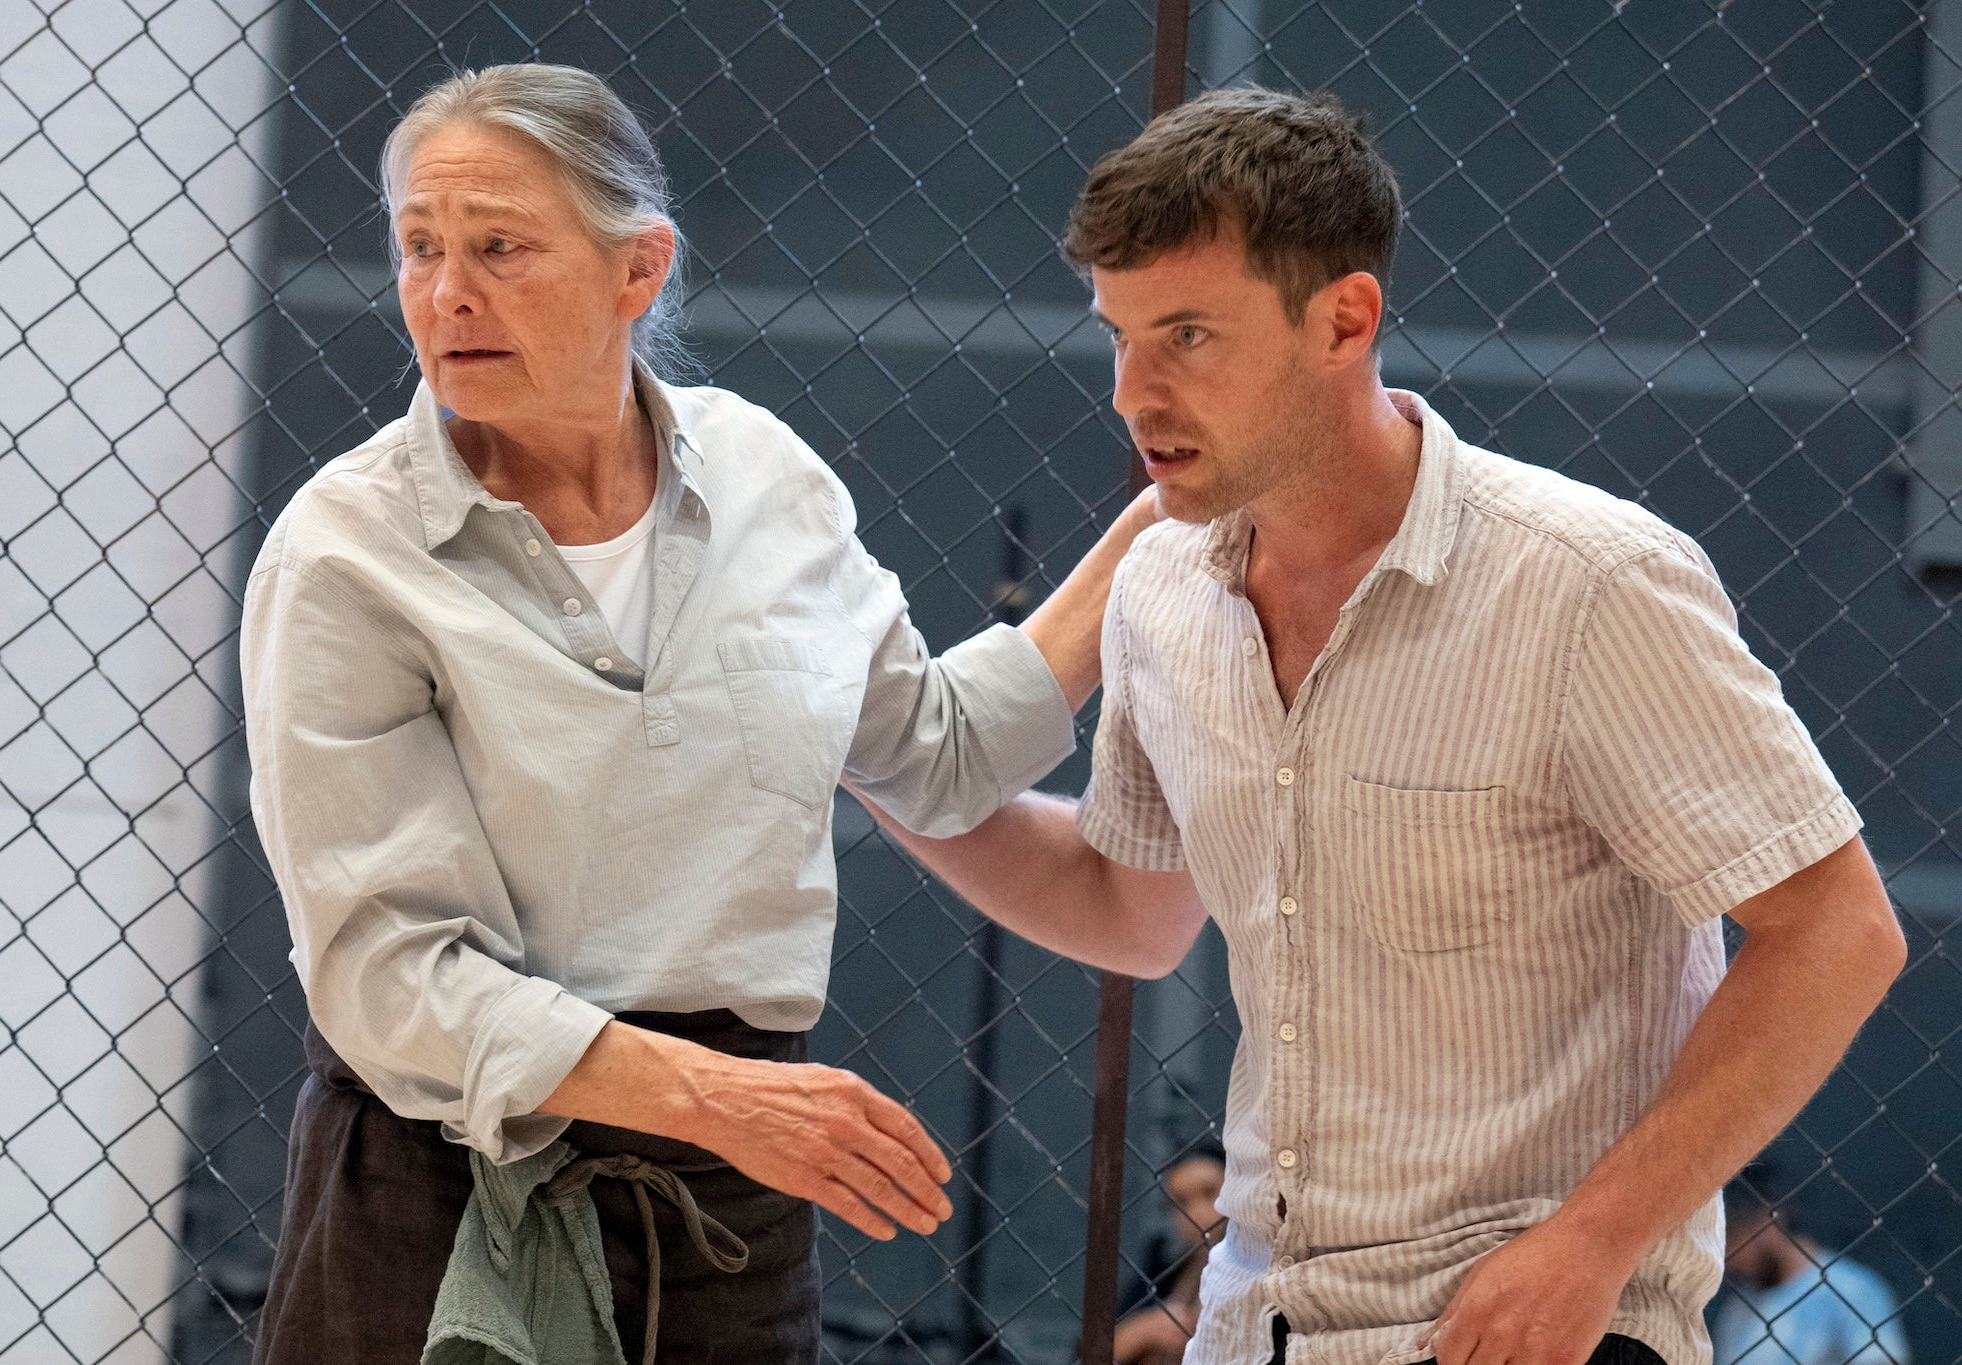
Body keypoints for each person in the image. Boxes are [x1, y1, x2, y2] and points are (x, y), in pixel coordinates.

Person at [859, 86, 1907, 1365]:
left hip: (1535, 1330)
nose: (1134, 392)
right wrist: (869, 763)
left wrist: (1591, 1243)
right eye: (1119, 336)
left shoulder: (1584, 579)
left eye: (1187, 335)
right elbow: (1127, 908)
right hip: (1253, 1326)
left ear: (1341, 319)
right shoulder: (1159, 591)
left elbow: (1837, 932)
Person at [240, 63, 1158, 1365]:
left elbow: (937, 756)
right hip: (447, 1194)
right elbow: (392, 973)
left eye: (499, 247)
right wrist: (721, 1098)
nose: (448, 294)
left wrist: (1160, 529)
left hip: (727, 1212)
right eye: (419, 247)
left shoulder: (770, 477)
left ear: (639, 269)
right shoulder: (344, 553)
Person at [1711, 1165, 1910, 1365]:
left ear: (1770, 1217)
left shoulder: (1852, 1289)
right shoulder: (1737, 1310)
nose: (1727, 1259)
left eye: (1733, 1238)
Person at [1116, 1147, 1230, 1365]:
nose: (1195, 1212)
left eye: (1209, 1192)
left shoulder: (1267, 1270)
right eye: (1181, 1201)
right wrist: (1143, 1330)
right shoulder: (1166, 1270)